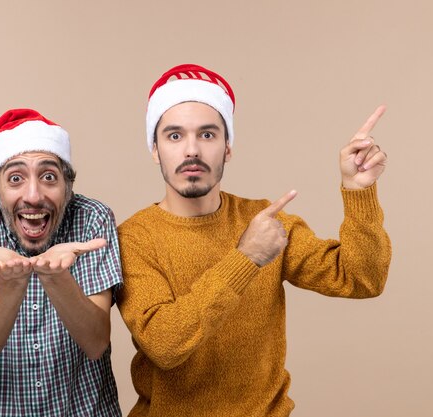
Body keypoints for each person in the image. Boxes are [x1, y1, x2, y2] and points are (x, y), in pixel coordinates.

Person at [116, 64, 391, 416]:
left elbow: (362, 279)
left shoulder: (264, 221)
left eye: (207, 135)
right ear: (154, 150)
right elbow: (166, 345)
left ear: (227, 148)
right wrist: (245, 258)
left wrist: (359, 194)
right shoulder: (134, 238)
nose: (191, 150)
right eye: (174, 136)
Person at [0, 108, 123, 417]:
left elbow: (95, 343)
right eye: (15, 179)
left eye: (49, 177)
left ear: (68, 186)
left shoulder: (93, 220)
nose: (34, 196)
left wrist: (56, 278)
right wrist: (10, 283)